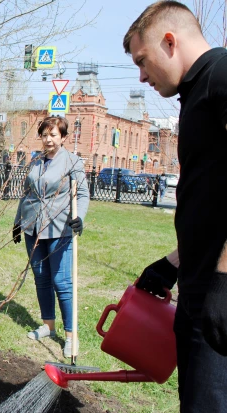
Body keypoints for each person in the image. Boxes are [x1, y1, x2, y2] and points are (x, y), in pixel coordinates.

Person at [123, 2, 227, 411]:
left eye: (143, 60)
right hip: (199, 285)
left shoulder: (220, 75)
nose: (141, 75)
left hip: (217, 293)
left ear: (170, 41)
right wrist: (174, 262)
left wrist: (224, 279)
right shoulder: (195, 94)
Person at [12, 116, 89, 358]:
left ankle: (70, 336)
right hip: (33, 226)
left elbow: (83, 194)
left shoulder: (73, 162)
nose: (48, 139)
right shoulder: (35, 161)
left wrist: (80, 218)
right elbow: (27, 194)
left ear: (63, 137)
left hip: (59, 227)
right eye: (45, 134)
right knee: (41, 278)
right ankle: (48, 325)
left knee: (62, 282)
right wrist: (17, 222)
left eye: (53, 135)